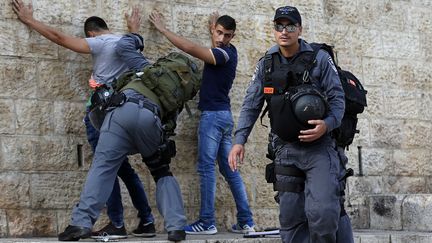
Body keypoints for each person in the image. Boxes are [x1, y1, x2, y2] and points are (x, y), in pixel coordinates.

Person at [11, 0, 156, 240]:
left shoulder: (99, 42)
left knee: (104, 168)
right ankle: (147, 221)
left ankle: (118, 224)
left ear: (90, 33)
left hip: (102, 116)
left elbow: (59, 37)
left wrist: (29, 20)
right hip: (125, 114)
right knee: (124, 170)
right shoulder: (125, 41)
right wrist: (133, 28)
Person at [228, 6, 345, 243]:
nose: (284, 31)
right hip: (285, 149)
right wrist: (239, 141)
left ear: (299, 29)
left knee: (323, 213)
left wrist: (327, 125)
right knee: (290, 218)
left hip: (319, 149)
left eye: (290, 26)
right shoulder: (266, 64)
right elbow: (251, 104)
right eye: (279, 26)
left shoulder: (319, 59)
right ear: (274, 30)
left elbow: (338, 99)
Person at [148, 11, 255, 235]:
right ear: (214, 29)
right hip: (223, 117)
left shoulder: (223, 54)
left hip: (213, 118)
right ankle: (246, 221)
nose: (221, 38)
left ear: (232, 37)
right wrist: (211, 30)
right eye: (218, 33)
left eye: (227, 35)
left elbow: (190, 49)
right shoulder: (228, 52)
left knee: (207, 169)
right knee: (230, 171)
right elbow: (212, 48)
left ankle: (207, 222)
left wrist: (163, 29)